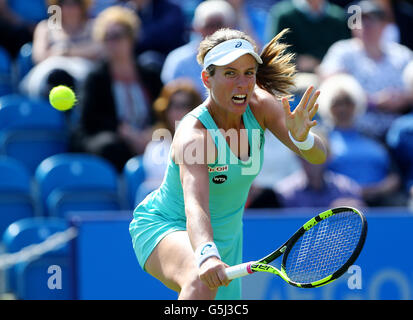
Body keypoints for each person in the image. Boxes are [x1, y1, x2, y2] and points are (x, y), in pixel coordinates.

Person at [129, 28, 327, 300]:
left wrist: (303, 139)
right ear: (207, 79)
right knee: (200, 281)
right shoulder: (195, 135)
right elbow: (195, 204)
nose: (242, 83)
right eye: (230, 73)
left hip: (225, 240)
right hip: (168, 226)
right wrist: (206, 253)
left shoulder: (261, 106)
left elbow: (318, 156)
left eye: (248, 72)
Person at [70, 6, 161, 172]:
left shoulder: (150, 74)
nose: (112, 43)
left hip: (149, 136)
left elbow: (163, 109)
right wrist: (126, 133)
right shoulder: (95, 77)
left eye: (117, 36)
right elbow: (90, 119)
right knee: (111, 147)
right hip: (113, 137)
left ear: (131, 37)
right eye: (107, 38)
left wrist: (152, 133)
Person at [318, 0, 413, 140]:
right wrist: (373, 101)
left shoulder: (401, 54)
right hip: (355, 130)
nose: (364, 26)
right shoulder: (342, 51)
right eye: (359, 21)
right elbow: (331, 85)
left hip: (399, 129)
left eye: (370, 20)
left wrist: (402, 100)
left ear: (383, 25)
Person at [317, 73, 404, 206]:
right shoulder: (321, 139)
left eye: (348, 102)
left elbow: (394, 176)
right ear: (327, 106)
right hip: (337, 206)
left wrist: (377, 191)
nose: (342, 108)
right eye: (337, 103)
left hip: (382, 205)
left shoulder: (375, 137)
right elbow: (316, 176)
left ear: (356, 104)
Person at [138, 79, 203, 203]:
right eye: (172, 105)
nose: (177, 112)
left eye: (184, 105)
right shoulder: (156, 148)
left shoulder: (211, 145)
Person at [160, 0, 236, 99]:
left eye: (219, 25)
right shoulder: (178, 60)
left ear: (231, 27)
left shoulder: (241, 59)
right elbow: (173, 102)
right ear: (196, 28)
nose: (214, 31)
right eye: (209, 25)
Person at [266, 0, 351, 72]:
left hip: (331, 73)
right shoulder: (283, 14)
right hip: (293, 74)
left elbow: (345, 48)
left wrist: (320, 64)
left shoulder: (338, 16)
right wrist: (297, 61)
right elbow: (275, 51)